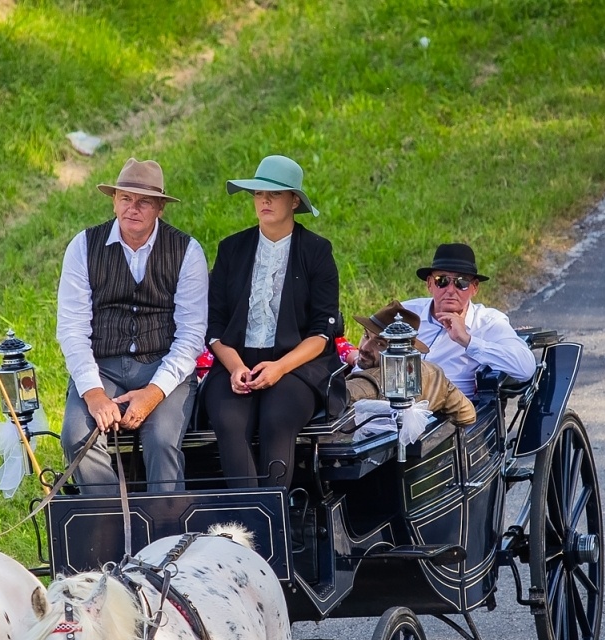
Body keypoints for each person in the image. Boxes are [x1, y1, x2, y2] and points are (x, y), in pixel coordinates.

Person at [56, 157, 207, 493]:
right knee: (76, 437)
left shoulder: (187, 251)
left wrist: (153, 394)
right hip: (103, 368)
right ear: (114, 201)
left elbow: (191, 336)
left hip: (163, 365)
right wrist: (94, 394)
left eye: (144, 202)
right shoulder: (82, 247)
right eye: (125, 198)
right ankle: (110, 524)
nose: (132, 208)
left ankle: (167, 536)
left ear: (160, 209)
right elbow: (72, 329)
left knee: (162, 440)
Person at [204, 155, 342, 489]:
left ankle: (272, 519)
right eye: (258, 193)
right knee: (227, 421)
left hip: (297, 365)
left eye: (275, 194)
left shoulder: (317, 251)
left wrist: (279, 368)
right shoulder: (231, 249)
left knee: (277, 419)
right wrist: (236, 367)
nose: (264, 200)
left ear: (294, 200)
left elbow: (322, 332)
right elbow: (215, 324)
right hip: (236, 360)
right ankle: (250, 522)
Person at [400, 243, 535, 396]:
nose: (450, 290)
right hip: (394, 405)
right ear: (430, 284)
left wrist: (468, 340)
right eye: (442, 280)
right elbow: (368, 350)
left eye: (461, 282)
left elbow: (526, 368)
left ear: (474, 287)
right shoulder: (404, 313)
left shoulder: (488, 322)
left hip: (451, 413)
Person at [349, 300, 476, 427]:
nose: (365, 347)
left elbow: (341, 397)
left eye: (379, 343)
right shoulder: (434, 374)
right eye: (366, 335)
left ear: (405, 351)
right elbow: (466, 415)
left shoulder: (368, 383)